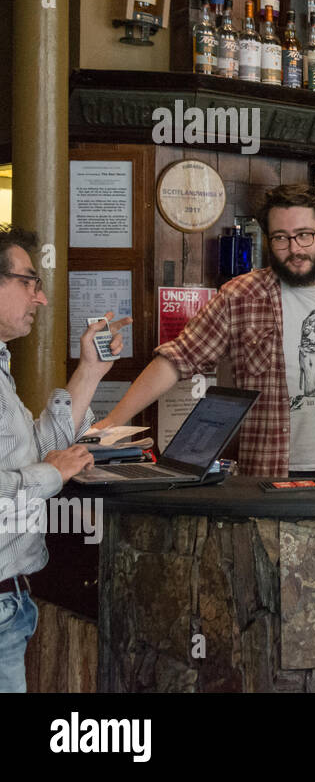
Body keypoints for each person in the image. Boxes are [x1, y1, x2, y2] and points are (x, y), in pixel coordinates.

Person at [98, 185, 315, 479]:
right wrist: (112, 422)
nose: (294, 249)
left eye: (304, 235)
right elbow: (177, 359)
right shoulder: (241, 295)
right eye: (281, 238)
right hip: (271, 475)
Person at [0, 225, 129, 692]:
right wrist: (51, 473)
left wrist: (90, 372)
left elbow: (32, 452)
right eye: (29, 282)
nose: (41, 298)